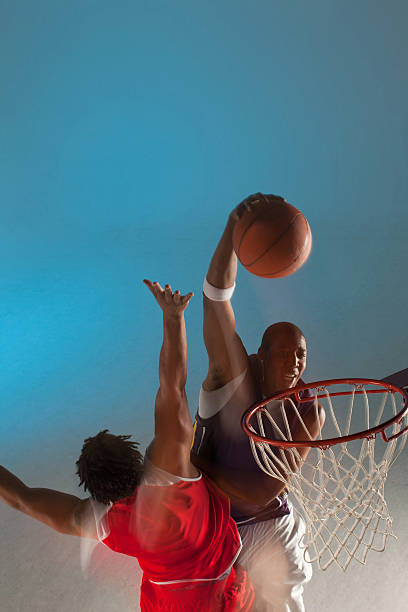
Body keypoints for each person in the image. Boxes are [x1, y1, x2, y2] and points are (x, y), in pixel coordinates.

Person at [0, 280, 254, 611]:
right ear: (135, 456)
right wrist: (173, 317)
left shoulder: (101, 521)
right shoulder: (170, 470)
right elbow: (172, 387)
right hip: (222, 593)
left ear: (96, 493)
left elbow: (22, 499)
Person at [191, 194, 325, 612]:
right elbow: (216, 301)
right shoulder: (230, 379)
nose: (294, 362)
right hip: (214, 527)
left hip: (269, 528)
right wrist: (234, 236)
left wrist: (199, 469)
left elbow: (267, 488)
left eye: (301, 354)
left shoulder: (307, 407)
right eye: (283, 353)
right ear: (260, 356)